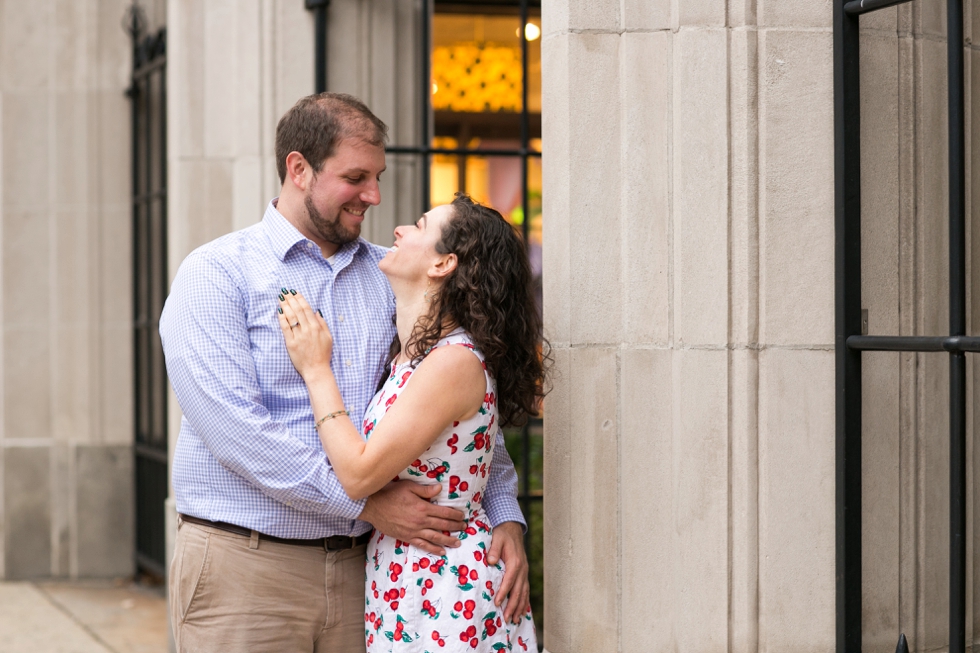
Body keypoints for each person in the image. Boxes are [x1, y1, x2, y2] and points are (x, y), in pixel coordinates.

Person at [159, 93, 530, 652]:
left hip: (377, 582)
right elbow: (238, 433)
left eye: (377, 176)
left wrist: (504, 515)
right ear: (299, 168)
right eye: (356, 177)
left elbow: (459, 423)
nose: (374, 196)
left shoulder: (396, 279)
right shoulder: (215, 275)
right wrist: (364, 503)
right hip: (249, 573)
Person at [275, 193, 545, 652]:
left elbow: (359, 473)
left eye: (419, 226)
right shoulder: (416, 355)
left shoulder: (453, 363)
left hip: (445, 585)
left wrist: (316, 369)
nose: (399, 230)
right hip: (407, 578)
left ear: (444, 265)